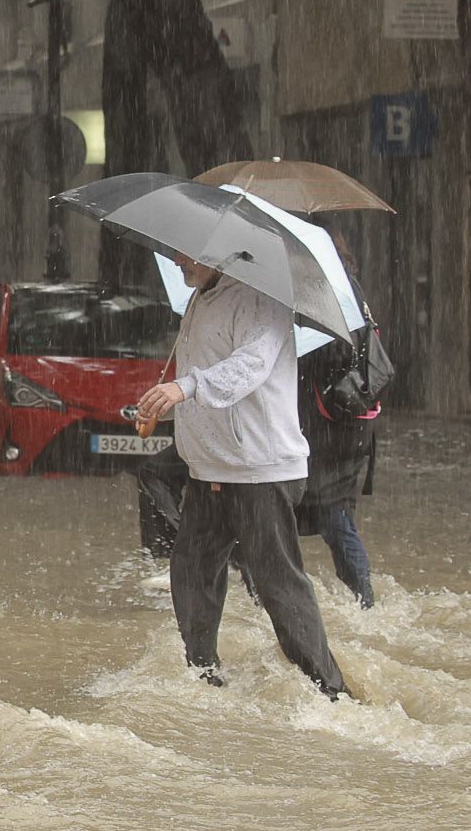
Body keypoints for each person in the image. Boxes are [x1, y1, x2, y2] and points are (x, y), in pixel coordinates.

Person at [131, 260, 350, 699]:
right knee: (191, 572)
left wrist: (184, 387)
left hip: (260, 469)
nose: (176, 261)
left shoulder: (261, 297)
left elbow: (248, 367)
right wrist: (166, 401)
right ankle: (203, 678)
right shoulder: (198, 297)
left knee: (277, 583)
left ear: (214, 251)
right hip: (211, 467)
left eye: (183, 252)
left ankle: (329, 692)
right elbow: (206, 370)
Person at [298, 336, 379, 610]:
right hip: (343, 432)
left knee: (333, 514)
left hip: (331, 435)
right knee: (334, 515)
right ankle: (363, 600)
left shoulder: (328, 325)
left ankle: (364, 601)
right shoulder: (349, 315)